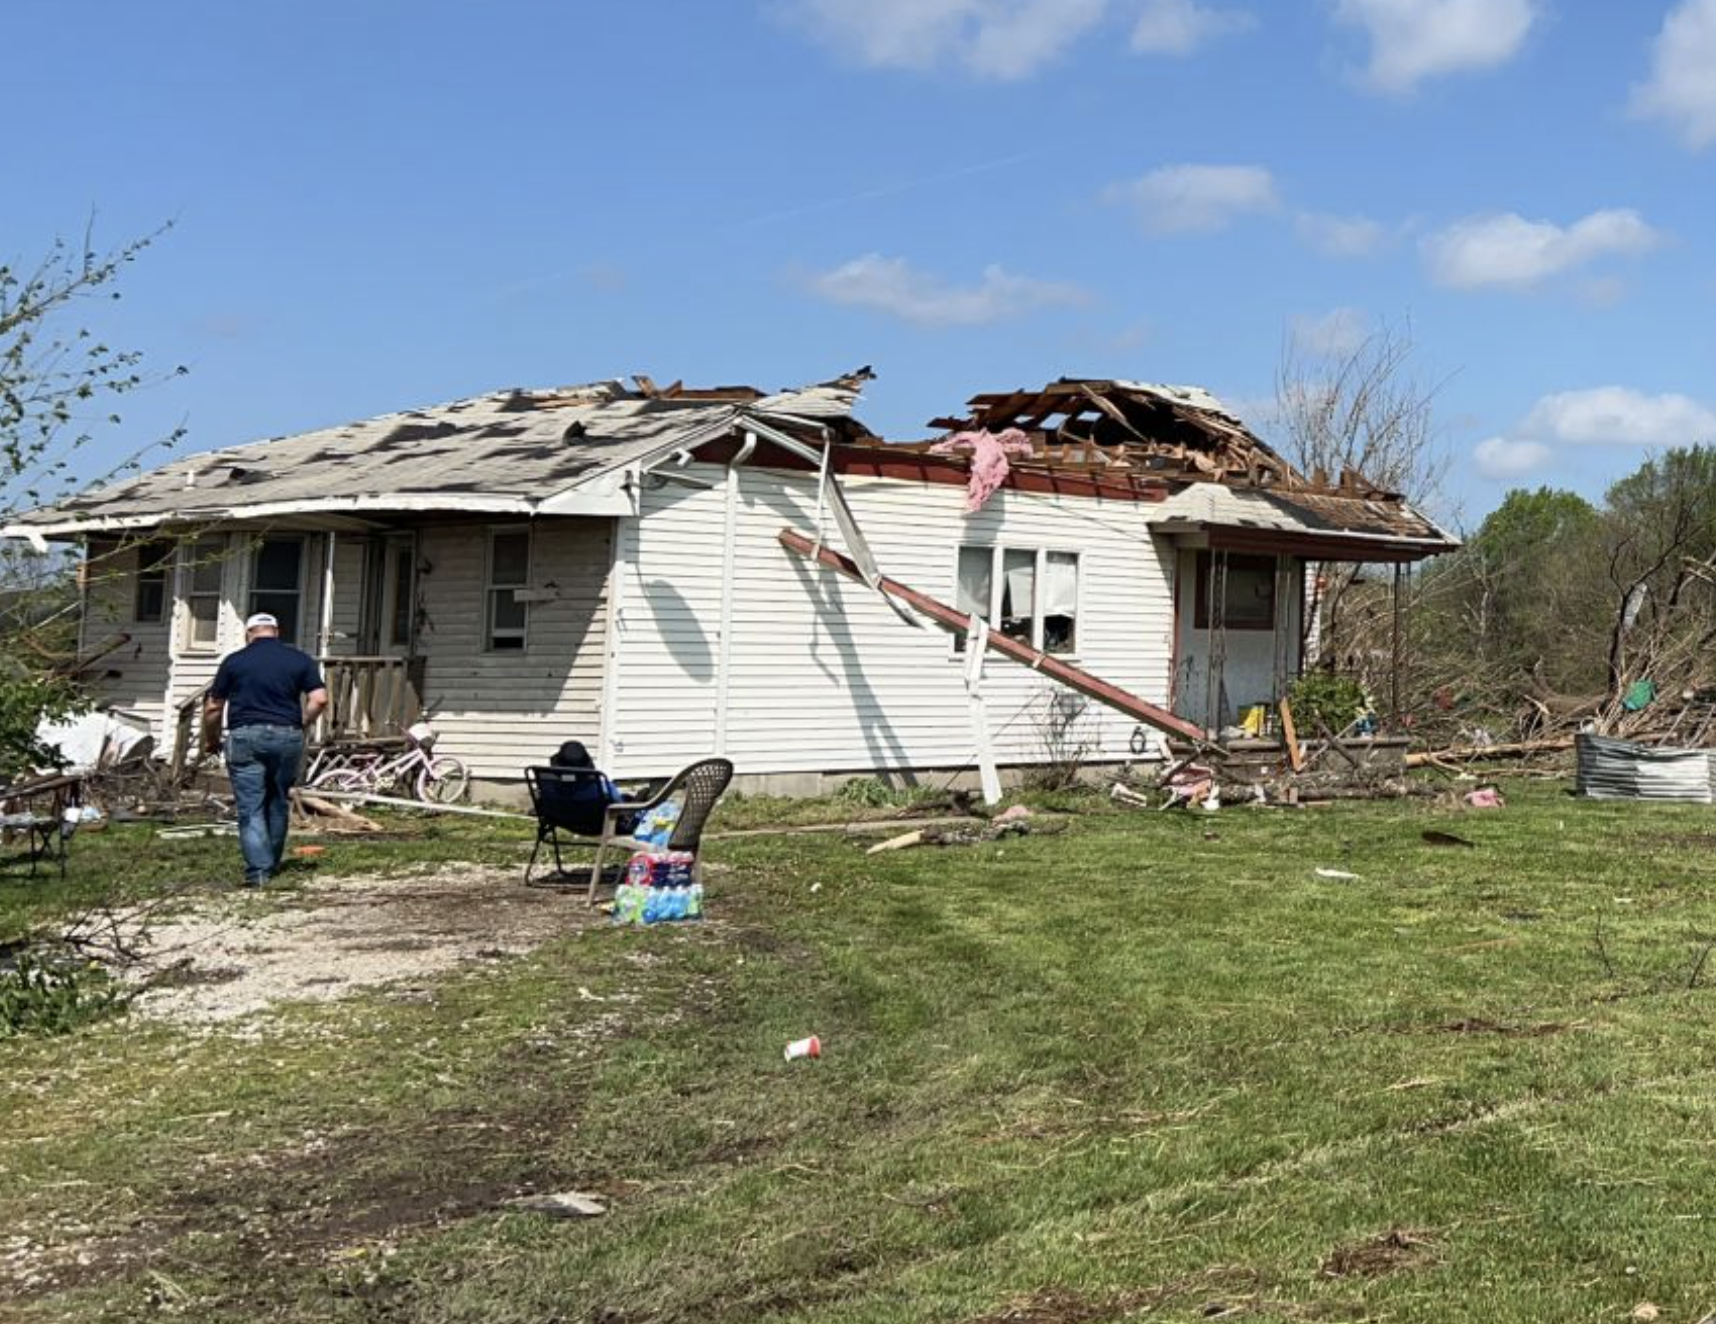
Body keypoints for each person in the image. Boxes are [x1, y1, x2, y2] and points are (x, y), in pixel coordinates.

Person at [202, 613, 329, 886]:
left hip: (245, 736)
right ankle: (272, 862)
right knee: (278, 800)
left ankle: (259, 873)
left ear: (249, 634)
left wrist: (211, 739)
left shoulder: (234, 661)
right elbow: (319, 699)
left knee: (251, 806)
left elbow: (214, 706)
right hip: (287, 736)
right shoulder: (299, 659)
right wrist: (302, 722)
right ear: (277, 631)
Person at [545, 740, 633, 836]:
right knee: (629, 800)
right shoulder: (602, 788)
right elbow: (619, 807)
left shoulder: (550, 789)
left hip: (563, 822)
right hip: (598, 826)